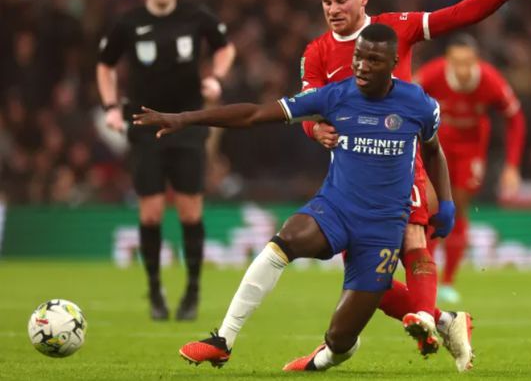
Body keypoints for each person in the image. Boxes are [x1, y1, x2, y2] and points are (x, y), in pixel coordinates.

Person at [133, 24, 462, 372]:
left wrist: (446, 201)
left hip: (382, 230)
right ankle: (223, 340)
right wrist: (185, 119)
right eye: (358, 57)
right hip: (336, 209)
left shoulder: (419, 104)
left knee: (339, 338)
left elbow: (433, 151)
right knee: (285, 239)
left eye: (374, 60)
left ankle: (327, 356)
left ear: (394, 62)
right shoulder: (334, 96)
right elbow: (255, 114)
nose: (362, 66)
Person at [300, 0, 531, 364]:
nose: (333, 8)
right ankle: (444, 319)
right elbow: (303, 109)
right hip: (350, 179)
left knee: (414, 240)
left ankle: (426, 315)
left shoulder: (399, 27)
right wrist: (314, 130)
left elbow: (457, 15)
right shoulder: (317, 51)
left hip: (402, 165)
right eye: (327, 1)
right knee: (371, 284)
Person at [96, 0, 236, 321]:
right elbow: (105, 65)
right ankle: (156, 290)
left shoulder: (196, 16)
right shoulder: (128, 22)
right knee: (151, 212)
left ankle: (192, 291)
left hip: (188, 123)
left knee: (190, 211)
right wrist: (110, 106)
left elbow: (225, 47)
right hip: (144, 124)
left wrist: (216, 78)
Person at [415, 34, 526, 303]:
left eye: (467, 62)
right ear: (448, 61)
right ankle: (426, 275)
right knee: (431, 206)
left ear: (476, 60)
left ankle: (448, 281)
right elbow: (403, 99)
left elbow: (515, 118)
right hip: (437, 144)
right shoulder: (431, 74)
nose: (463, 69)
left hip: (471, 148)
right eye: (457, 63)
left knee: (458, 206)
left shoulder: (490, 80)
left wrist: (512, 166)